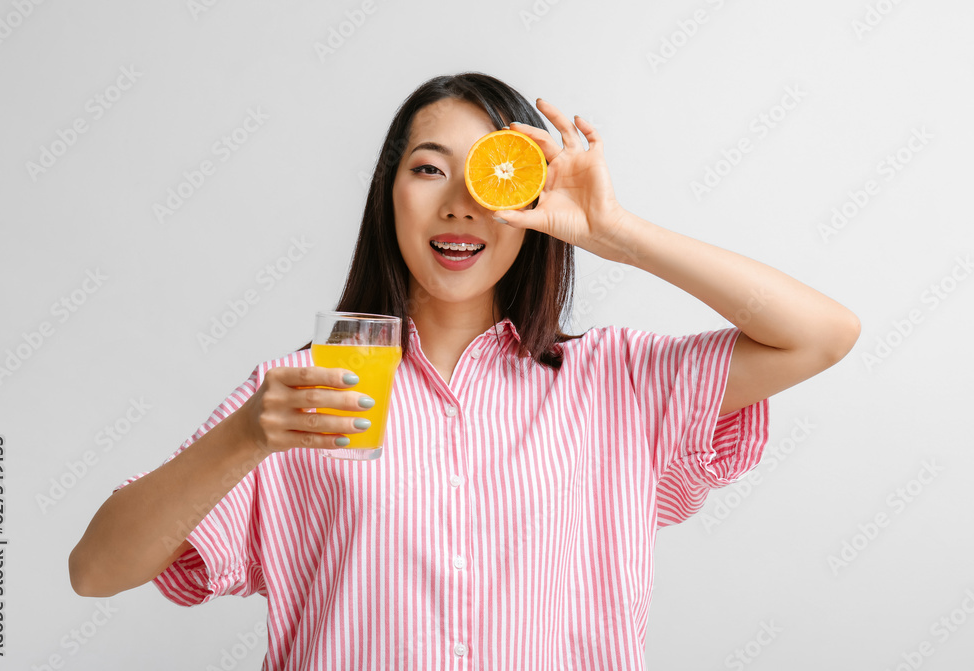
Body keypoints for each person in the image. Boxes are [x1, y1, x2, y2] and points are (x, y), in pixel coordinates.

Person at [69, 72, 860, 669]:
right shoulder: (304, 393)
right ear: (388, 195)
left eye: (488, 174)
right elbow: (96, 570)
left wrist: (618, 232)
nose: (458, 204)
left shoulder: (613, 381)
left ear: (526, 202)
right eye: (427, 169)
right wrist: (244, 437)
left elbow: (822, 335)